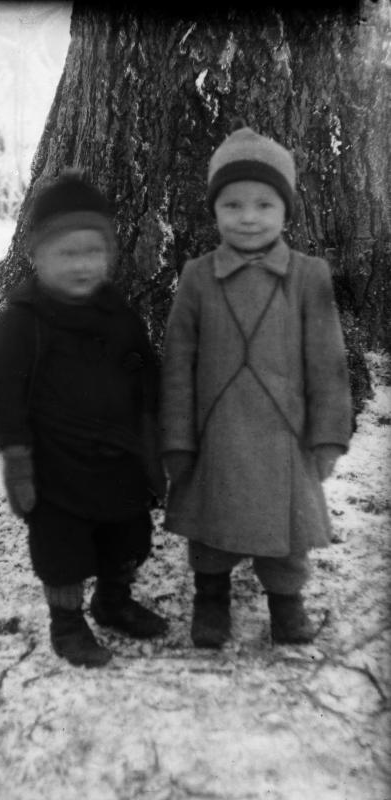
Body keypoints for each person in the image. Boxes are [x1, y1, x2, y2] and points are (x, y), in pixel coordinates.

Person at [160, 125, 352, 648]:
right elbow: (178, 366)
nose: (248, 217)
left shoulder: (309, 276)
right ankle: (210, 601)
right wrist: (177, 440)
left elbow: (329, 364)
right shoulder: (197, 276)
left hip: (284, 436)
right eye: (233, 204)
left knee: (286, 537)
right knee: (210, 532)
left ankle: (287, 606)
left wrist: (328, 436)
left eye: (264, 204)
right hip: (216, 435)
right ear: (214, 211)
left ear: (286, 211)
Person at [0, 170, 167, 668]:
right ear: (37, 255)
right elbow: (4, 395)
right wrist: (17, 458)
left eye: (93, 251)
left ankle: (113, 600)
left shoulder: (119, 314)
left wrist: (153, 440)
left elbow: (144, 375)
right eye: (67, 253)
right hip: (55, 467)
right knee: (62, 551)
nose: (83, 264)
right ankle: (66, 623)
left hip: (117, 461)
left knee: (127, 537)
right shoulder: (22, 322)